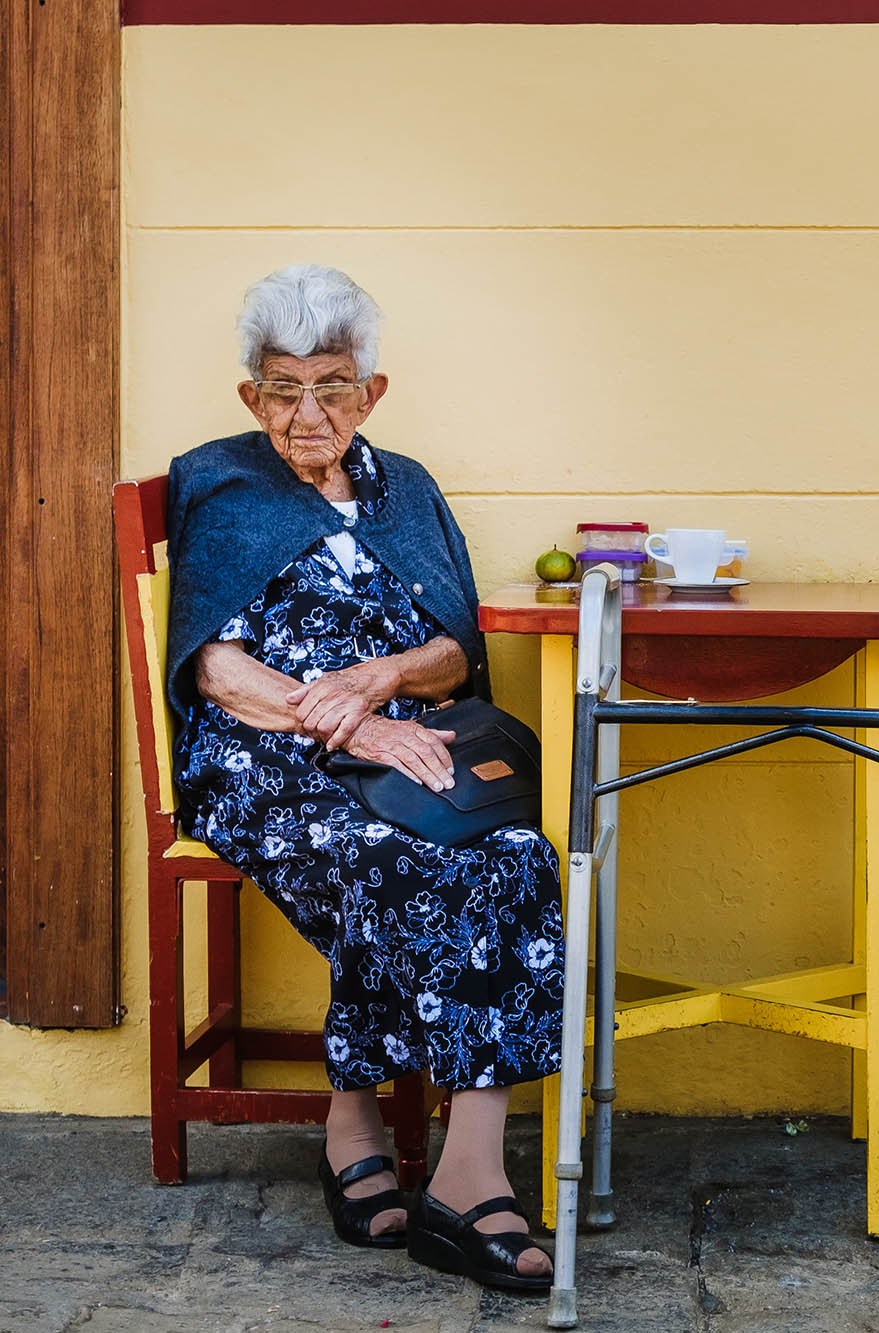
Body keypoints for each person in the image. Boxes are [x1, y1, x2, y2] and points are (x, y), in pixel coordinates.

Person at [166, 264, 561, 1290]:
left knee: (516, 853)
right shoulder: (218, 481)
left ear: (370, 393)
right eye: (283, 388)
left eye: (332, 386)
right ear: (251, 396)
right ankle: (365, 1127)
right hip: (264, 756)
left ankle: (462, 1164)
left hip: (411, 738)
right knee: (393, 855)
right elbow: (212, 666)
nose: (308, 412)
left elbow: (455, 650)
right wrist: (344, 723)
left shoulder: (408, 489)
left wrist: (384, 681)